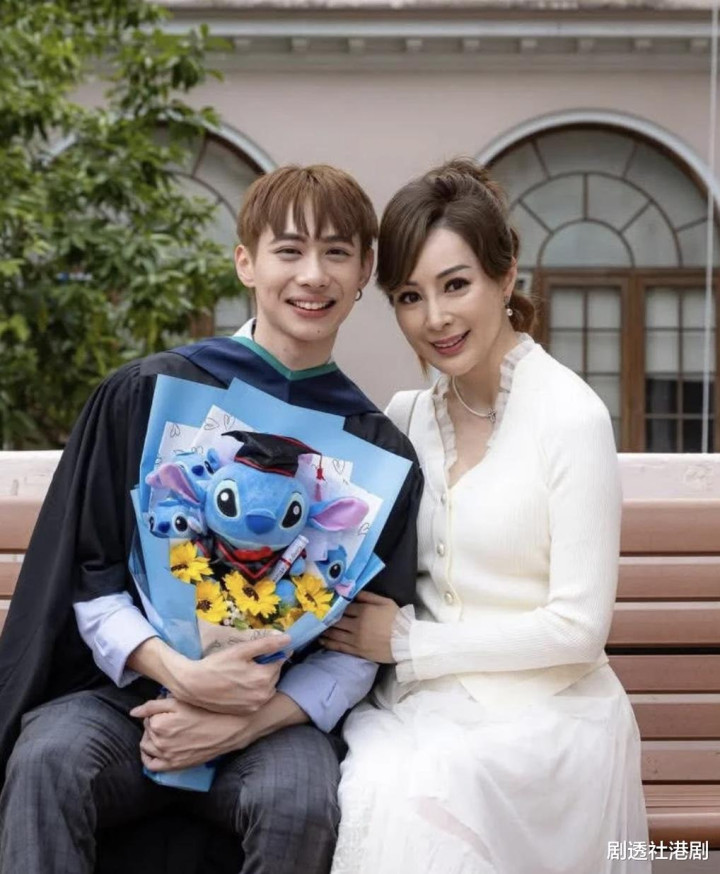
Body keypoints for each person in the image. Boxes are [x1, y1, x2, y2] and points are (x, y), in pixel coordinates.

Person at [0, 165, 422, 874]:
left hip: (271, 721)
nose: (312, 275)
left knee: (301, 799)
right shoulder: (150, 392)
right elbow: (89, 573)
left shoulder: (376, 451)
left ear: (364, 273)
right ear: (246, 263)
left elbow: (356, 646)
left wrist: (243, 722)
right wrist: (179, 675)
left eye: (337, 253)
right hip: (128, 701)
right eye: (288, 250)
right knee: (50, 759)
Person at [321, 159, 649, 874]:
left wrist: (409, 643)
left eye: (456, 284)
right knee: (372, 784)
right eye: (410, 296)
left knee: (428, 794)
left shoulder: (571, 418)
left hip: (548, 721)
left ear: (506, 277)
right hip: (422, 713)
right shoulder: (406, 419)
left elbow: (578, 630)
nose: (434, 318)